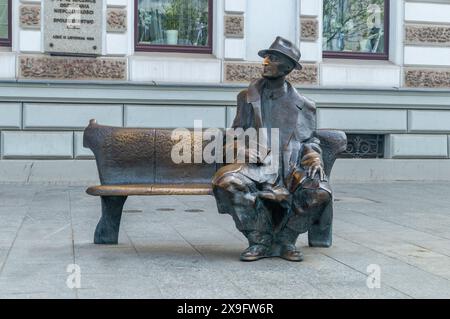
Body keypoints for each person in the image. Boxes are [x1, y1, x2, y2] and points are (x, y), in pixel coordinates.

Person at [212, 37, 332, 262]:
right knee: (226, 182)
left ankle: (287, 239)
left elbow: (309, 141)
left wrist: (314, 156)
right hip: (256, 166)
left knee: (320, 192)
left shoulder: (304, 105)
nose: (265, 62)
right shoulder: (248, 97)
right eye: (266, 57)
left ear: (287, 67)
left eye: (273, 58)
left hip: (290, 168)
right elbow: (235, 134)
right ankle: (259, 239)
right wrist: (242, 150)